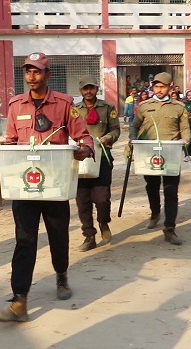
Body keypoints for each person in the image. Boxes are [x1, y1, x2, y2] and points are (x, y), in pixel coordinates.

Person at [0, 53, 94, 322]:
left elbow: (82, 135)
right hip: (25, 185)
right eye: (28, 72)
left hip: (55, 184)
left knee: (58, 235)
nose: (31, 77)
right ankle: (20, 299)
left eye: (37, 72)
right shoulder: (15, 105)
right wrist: (5, 147)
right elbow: (13, 139)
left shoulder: (63, 103)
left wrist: (84, 149)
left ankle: (61, 276)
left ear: (47, 75)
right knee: (24, 241)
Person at [130, 72, 190, 246]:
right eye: (156, 86)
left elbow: (185, 129)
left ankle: (170, 228)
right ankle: (155, 212)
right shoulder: (144, 106)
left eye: (163, 86)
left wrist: (185, 140)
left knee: (171, 191)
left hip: (170, 152)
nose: (159, 89)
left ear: (170, 87)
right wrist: (133, 139)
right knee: (152, 186)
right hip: (149, 154)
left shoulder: (179, 107)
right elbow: (134, 125)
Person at [73, 76, 121, 252]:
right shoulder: (74, 110)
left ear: (96, 88)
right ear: (80, 90)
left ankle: (103, 221)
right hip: (80, 159)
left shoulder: (107, 108)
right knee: (82, 200)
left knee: (101, 198)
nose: (88, 91)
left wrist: (107, 138)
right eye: (85, 88)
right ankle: (89, 235)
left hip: (102, 158)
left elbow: (116, 129)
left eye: (91, 88)